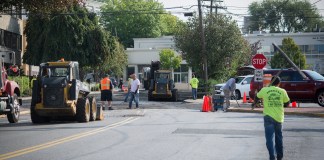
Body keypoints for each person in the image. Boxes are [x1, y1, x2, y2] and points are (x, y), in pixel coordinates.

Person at [256, 76, 290, 160]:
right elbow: (287, 103)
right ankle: (279, 156)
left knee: (269, 139)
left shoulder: (265, 90)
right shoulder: (282, 91)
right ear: (279, 83)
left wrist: (255, 103)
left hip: (268, 117)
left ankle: (272, 156)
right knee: (279, 138)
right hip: (279, 118)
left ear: (271, 82)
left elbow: (257, 97)